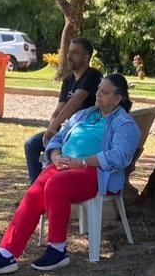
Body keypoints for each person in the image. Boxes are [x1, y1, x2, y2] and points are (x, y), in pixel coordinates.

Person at [0, 74, 140, 275]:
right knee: (35, 191)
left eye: (104, 92)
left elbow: (120, 156)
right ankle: (6, 252)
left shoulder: (124, 124)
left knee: (55, 184)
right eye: (98, 90)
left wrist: (82, 162)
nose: (98, 95)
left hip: (94, 172)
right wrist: (55, 155)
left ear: (117, 98)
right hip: (63, 165)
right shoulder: (85, 114)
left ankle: (58, 250)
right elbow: (58, 137)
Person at [24, 38, 104, 184]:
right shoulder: (68, 81)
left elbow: (75, 101)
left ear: (86, 57)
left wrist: (54, 127)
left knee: (50, 147)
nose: (69, 56)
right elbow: (59, 108)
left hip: (84, 132)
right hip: (66, 130)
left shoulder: (93, 76)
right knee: (32, 144)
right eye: (68, 52)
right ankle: (35, 189)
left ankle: (43, 191)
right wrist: (51, 127)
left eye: (74, 53)